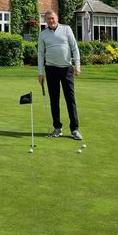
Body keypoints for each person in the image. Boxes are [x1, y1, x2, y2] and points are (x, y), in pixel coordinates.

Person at [37, 9, 83, 140]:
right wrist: (40, 72)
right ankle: (57, 128)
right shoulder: (43, 34)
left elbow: (74, 48)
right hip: (51, 69)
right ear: (45, 21)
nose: (51, 20)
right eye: (48, 19)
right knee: (54, 100)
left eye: (52, 18)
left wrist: (77, 66)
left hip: (66, 69)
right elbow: (40, 53)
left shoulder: (67, 29)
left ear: (57, 18)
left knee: (70, 99)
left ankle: (74, 129)